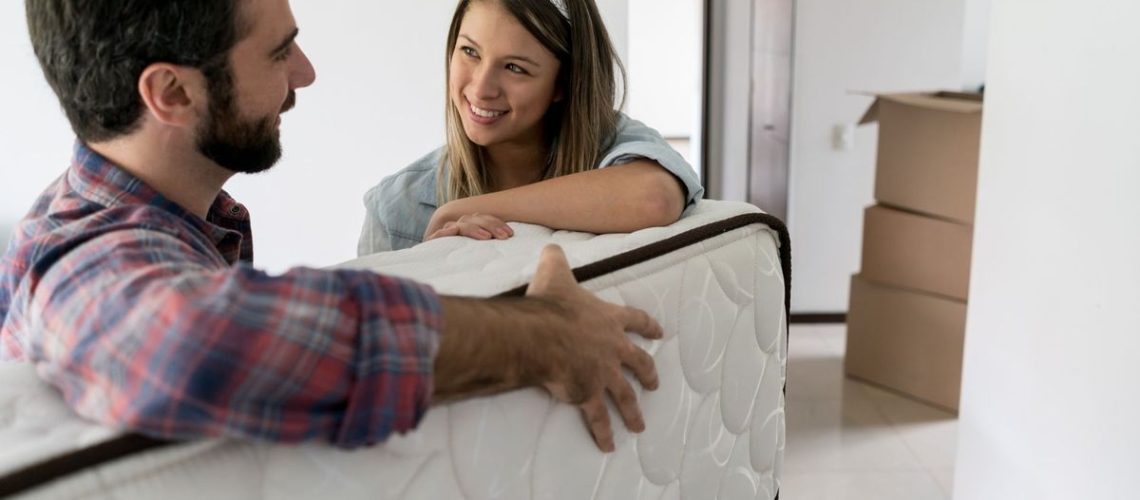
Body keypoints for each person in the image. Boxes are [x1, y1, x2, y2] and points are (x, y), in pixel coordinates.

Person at [0, 0, 662, 453]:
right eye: (278, 52)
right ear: (173, 94)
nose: (306, 74)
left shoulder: (193, 229)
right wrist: (541, 339)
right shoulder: (74, 252)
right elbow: (188, 347)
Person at [357, 0, 704, 254]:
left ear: (562, 84)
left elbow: (655, 199)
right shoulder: (395, 209)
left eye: (515, 68)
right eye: (470, 52)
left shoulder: (613, 144)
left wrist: (460, 210)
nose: (481, 88)